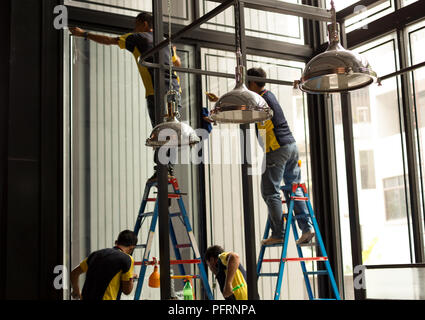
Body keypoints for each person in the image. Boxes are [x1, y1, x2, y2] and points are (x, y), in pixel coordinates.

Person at [69, 12, 182, 180]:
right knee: (170, 130)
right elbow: (177, 62)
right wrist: (172, 51)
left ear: (143, 23)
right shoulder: (163, 39)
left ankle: (162, 172)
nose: (134, 27)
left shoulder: (137, 37)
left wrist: (83, 34)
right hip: (175, 89)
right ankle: (167, 170)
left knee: (160, 131)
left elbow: (109, 41)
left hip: (156, 91)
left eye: (136, 23)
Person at [247, 67, 315, 246]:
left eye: (247, 83)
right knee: (294, 188)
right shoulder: (270, 96)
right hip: (291, 146)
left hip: (277, 149)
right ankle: (306, 228)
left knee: (270, 191)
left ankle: (278, 233)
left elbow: (244, 113)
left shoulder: (261, 100)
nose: (246, 86)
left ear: (253, 83)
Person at [70, 230, 138, 300]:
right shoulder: (127, 259)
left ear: (116, 242)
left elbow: (73, 273)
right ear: (132, 248)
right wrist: (130, 278)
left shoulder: (95, 254)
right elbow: (127, 291)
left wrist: (76, 290)